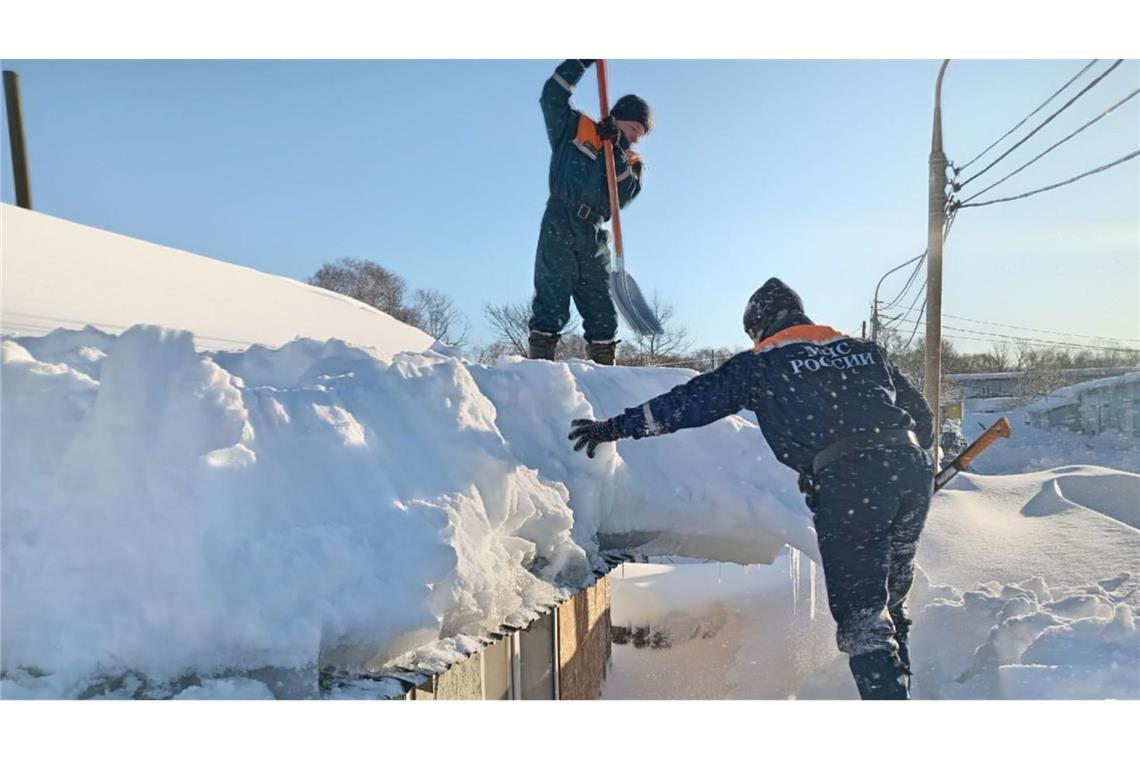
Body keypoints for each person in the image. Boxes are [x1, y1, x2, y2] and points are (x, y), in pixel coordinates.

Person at [568, 277, 935, 699]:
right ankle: (903, 689)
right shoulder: (864, 350)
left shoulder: (760, 364)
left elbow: (686, 404)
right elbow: (921, 417)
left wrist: (614, 427)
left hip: (850, 484)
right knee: (890, 597)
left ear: (760, 327)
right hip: (908, 472)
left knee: (863, 619)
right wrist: (902, 465)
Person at [527, 59, 652, 365]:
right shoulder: (575, 128)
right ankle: (539, 371)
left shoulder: (632, 162)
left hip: (594, 235)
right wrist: (581, 61)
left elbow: (623, 197)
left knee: (602, 310)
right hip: (560, 218)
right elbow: (551, 96)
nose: (637, 137)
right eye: (635, 128)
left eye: (641, 134)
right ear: (620, 118)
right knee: (551, 300)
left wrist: (616, 151)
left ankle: (604, 376)